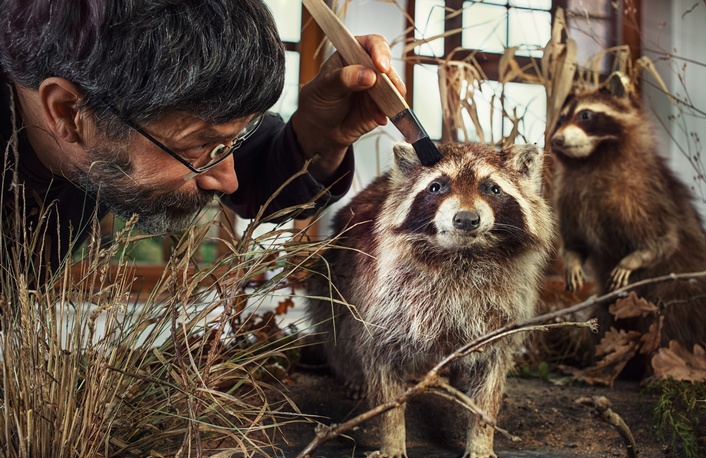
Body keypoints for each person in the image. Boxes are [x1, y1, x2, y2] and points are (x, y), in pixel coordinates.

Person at [0, 0, 403, 274]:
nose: (226, 178)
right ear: (68, 111)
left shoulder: (151, 106)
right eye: (199, 146)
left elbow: (258, 179)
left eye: (233, 140)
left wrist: (321, 134)